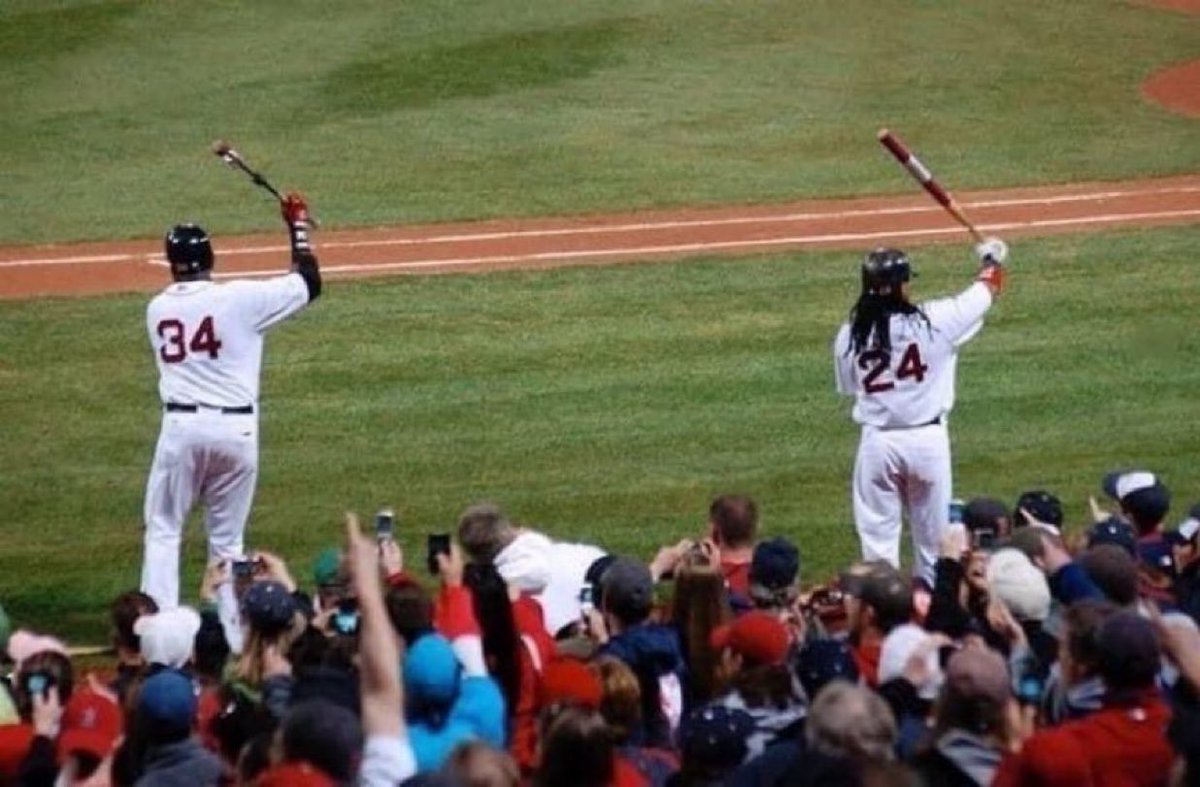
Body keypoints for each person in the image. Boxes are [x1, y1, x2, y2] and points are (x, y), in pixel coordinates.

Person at [140, 193, 321, 614]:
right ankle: (234, 630)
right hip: (238, 434)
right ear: (211, 258)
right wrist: (296, 228)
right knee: (227, 542)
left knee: (164, 530)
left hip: (182, 431)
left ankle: (160, 625)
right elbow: (309, 283)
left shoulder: (157, 309)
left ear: (170, 262)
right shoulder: (240, 299)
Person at [833, 239, 1007, 585]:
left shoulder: (849, 335)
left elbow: (850, 387)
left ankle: (886, 612)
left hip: (878, 445)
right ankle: (933, 606)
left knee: (878, 544)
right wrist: (993, 259)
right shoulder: (937, 319)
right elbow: (988, 288)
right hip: (928, 443)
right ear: (903, 285)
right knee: (933, 543)